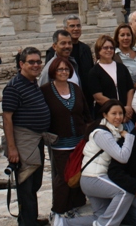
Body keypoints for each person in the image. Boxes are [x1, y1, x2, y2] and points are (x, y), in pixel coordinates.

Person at [52, 100, 136, 226]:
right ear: (105, 115)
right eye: (114, 113)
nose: (118, 117)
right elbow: (122, 157)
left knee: (100, 216)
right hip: (93, 178)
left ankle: (63, 223)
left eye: (120, 113)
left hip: (93, 179)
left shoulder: (114, 131)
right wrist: (129, 137)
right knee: (125, 192)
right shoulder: (102, 134)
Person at [2, 47, 51, 226]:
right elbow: (6, 118)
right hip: (23, 143)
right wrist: (12, 148)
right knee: (26, 184)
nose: (36, 65)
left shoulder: (31, 83)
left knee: (34, 183)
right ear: (21, 64)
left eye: (38, 62)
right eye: (31, 62)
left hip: (35, 141)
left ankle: (29, 218)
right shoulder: (14, 87)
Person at [41, 57, 92, 220]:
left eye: (66, 69)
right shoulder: (46, 90)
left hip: (78, 140)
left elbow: (84, 111)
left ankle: (75, 205)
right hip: (60, 142)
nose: (63, 72)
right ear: (53, 72)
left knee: (77, 173)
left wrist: (88, 129)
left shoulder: (75, 88)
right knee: (63, 176)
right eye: (60, 69)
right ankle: (58, 209)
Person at [84, 35, 135, 122]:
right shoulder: (94, 72)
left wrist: (128, 107)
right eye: (105, 48)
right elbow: (98, 97)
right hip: (106, 114)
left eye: (111, 48)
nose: (109, 50)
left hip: (126, 114)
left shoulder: (121, 67)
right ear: (99, 50)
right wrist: (120, 109)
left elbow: (130, 88)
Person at [61, 14, 96, 91]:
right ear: (65, 29)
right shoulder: (57, 51)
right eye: (72, 26)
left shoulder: (86, 49)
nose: (76, 29)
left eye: (78, 26)